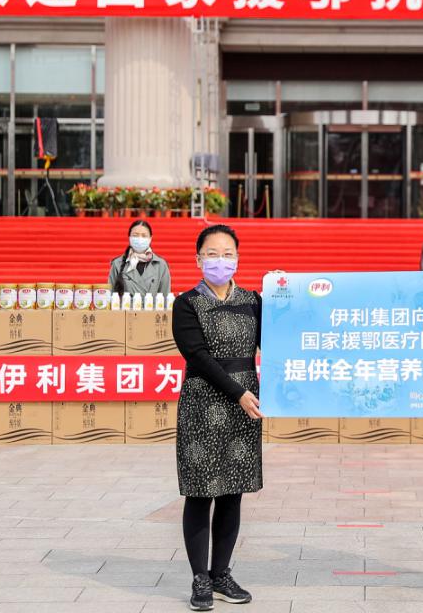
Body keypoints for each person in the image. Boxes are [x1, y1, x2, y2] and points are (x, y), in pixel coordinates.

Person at [172, 224, 262, 611]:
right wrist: (238, 392)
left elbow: (279, 340)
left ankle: (221, 573)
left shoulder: (253, 300)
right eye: (212, 254)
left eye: (228, 254)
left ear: (238, 258)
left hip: (244, 407)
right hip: (203, 404)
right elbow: (198, 356)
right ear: (198, 259)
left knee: (231, 491)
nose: (220, 260)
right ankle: (200, 579)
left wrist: (287, 293)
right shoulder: (186, 304)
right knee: (200, 492)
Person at [107, 219, 172, 297]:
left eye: (144, 235)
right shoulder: (117, 264)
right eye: (135, 235)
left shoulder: (160, 265)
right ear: (129, 237)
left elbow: (165, 297)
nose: (139, 239)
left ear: (150, 238)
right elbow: (110, 295)